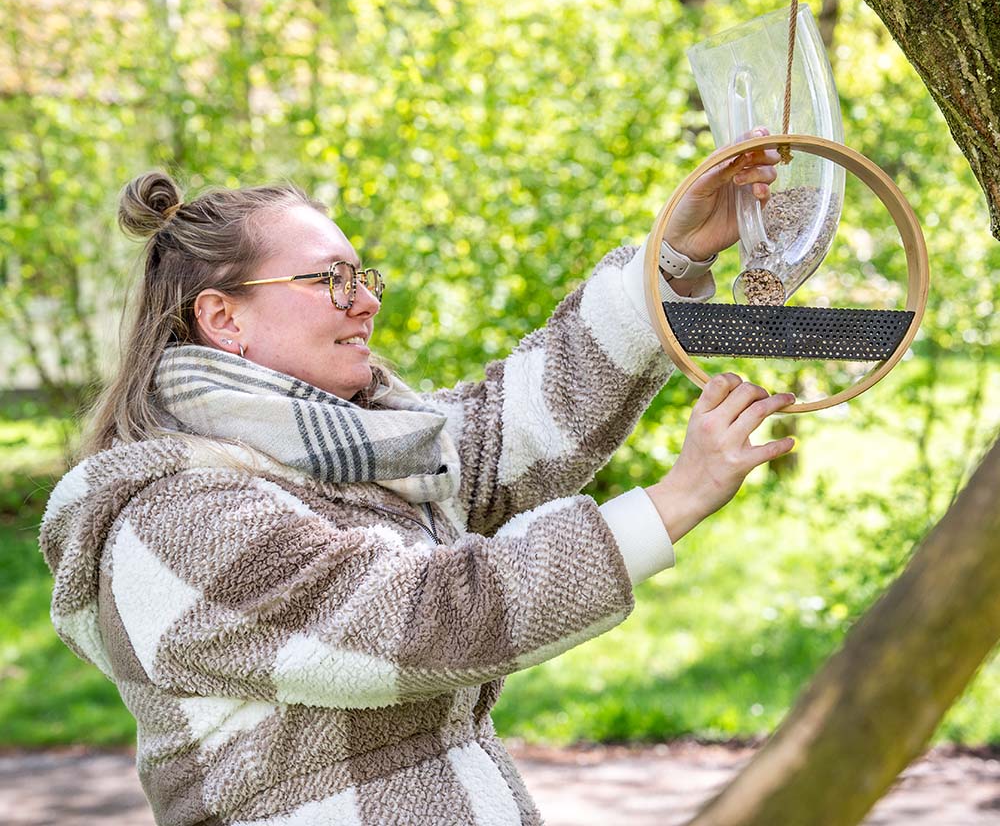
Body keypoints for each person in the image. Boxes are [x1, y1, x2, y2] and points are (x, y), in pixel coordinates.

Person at [40, 139, 793, 826]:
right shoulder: (173, 517)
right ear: (223, 319)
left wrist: (674, 257)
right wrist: (674, 500)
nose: (367, 301)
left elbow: (527, 418)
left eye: (361, 277)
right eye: (330, 281)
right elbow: (423, 619)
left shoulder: (370, 454)